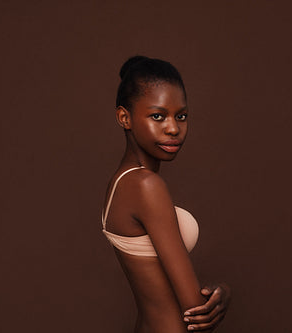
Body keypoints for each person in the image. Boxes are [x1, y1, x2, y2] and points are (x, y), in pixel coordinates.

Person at [102, 56, 231, 332]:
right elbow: (196, 310)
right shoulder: (147, 186)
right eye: (158, 116)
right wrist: (224, 291)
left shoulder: (121, 183)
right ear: (124, 117)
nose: (173, 128)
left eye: (181, 116)